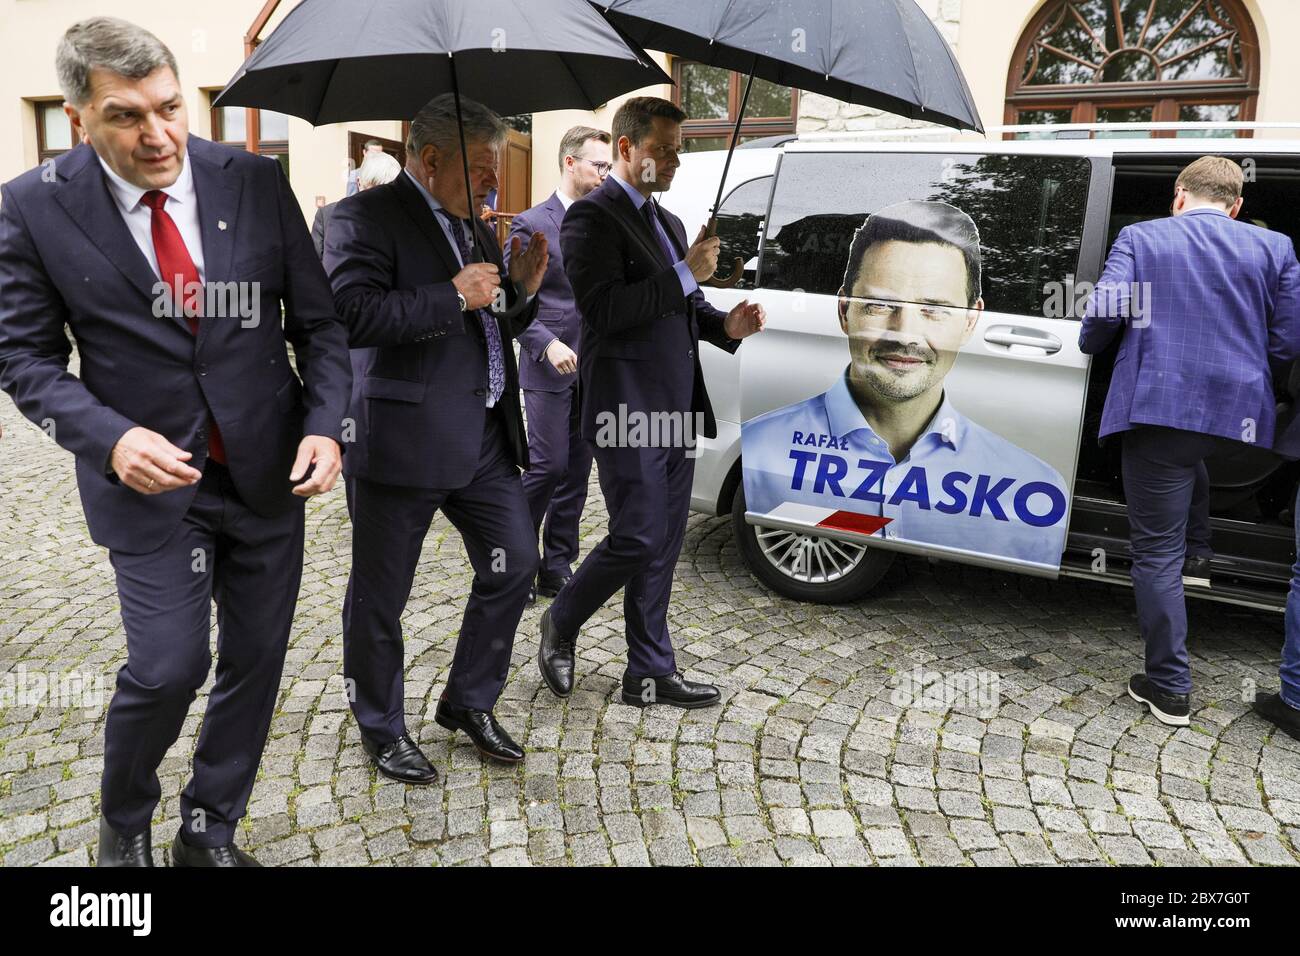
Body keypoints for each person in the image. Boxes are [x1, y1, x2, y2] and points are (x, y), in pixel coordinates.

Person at [0, 17, 352, 866]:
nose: (158, 135)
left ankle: (208, 829)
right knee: (166, 667)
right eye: (127, 116)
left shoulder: (253, 181)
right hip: (149, 487)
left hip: (269, 474)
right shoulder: (33, 205)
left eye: (170, 108)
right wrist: (110, 439)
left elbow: (320, 326)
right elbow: (23, 357)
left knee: (259, 659)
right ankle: (126, 817)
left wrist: (325, 427)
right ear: (80, 114)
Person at [325, 94, 548, 775]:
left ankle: (467, 698)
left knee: (515, 563)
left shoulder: (472, 224)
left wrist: (521, 290)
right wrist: (452, 294)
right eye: (483, 167)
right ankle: (380, 723)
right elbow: (349, 314)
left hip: (481, 436)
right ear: (429, 159)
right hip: (399, 440)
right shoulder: (357, 218)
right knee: (380, 596)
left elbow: (491, 320)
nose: (494, 183)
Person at [538, 96, 764, 708]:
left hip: (677, 404)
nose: (675, 160)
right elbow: (605, 311)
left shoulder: (666, 224)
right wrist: (689, 272)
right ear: (626, 149)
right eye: (663, 148)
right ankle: (561, 617)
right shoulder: (589, 219)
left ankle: (648, 670)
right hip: (623, 407)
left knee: (663, 540)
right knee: (636, 535)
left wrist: (726, 324)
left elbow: (681, 308)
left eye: (677, 148)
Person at [1080, 155, 1300, 727]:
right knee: (1188, 463)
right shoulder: (1275, 248)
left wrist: (1097, 341)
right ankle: (1199, 551)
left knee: (1155, 551)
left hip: (1160, 406)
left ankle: (1170, 685)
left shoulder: (1141, 236)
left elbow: (1102, 315)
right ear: (1237, 204)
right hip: (1240, 416)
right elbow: (1289, 339)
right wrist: (1250, 372)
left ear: (1179, 196)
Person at [742, 200, 1069, 567]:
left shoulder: (1038, 484)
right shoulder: (757, 443)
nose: (906, 334)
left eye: (935, 309)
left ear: (970, 321)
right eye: (880, 305)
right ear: (844, 311)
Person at [505, 126, 610, 605]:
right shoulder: (531, 223)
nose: (606, 173)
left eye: (609, 166)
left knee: (576, 470)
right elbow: (510, 302)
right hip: (548, 364)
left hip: (595, 365)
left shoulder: (607, 220)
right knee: (546, 467)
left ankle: (557, 565)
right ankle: (516, 562)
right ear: (570, 162)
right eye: (598, 165)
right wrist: (544, 344)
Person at [312, 149, 400, 259]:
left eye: (387, 194)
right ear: (359, 183)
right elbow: (314, 267)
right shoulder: (327, 215)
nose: (379, 201)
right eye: (374, 191)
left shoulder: (404, 221)